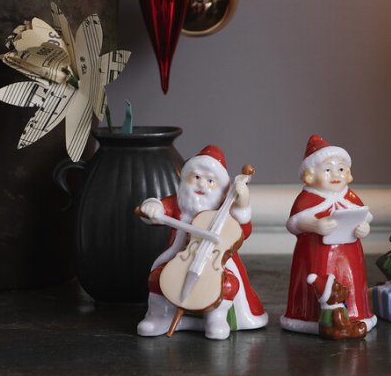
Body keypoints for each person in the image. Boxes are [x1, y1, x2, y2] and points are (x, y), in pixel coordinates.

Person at [135, 145, 268, 339]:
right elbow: (159, 209)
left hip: (215, 263)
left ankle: (216, 319)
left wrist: (242, 204)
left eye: (210, 181)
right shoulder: (180, 203)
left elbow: (243, 232)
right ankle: (160, 317)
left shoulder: (223, 208)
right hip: (178, 258)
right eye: (196, 177)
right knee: (159, 277)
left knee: (227, 284)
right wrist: (152, 207)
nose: (202, 185)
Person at [281, 134, 376, 335]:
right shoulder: (307, 198)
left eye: (341, 169)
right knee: (316, 279)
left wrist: (363, 228)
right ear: (310, 174)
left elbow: (364, 217)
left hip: (349, 254)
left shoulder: (349, 196)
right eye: (327, 169)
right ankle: (308, 316)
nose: (336, 175)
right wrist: (315, 225)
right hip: (315, 253)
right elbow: (294, 223)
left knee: (350, 280)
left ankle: (355, 313)